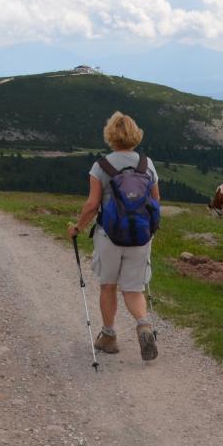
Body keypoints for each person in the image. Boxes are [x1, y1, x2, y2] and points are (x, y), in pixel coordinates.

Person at [67, 111, 160, 361]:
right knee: (133, 288)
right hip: (140, 236)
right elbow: (155, 201)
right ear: (135, 133)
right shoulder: (146, 164)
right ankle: (144, 326)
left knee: (108, 286)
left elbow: (91, 205)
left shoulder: (101, 166)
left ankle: (109, 336)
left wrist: (77, 227)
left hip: (109, 235)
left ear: (110, 135)